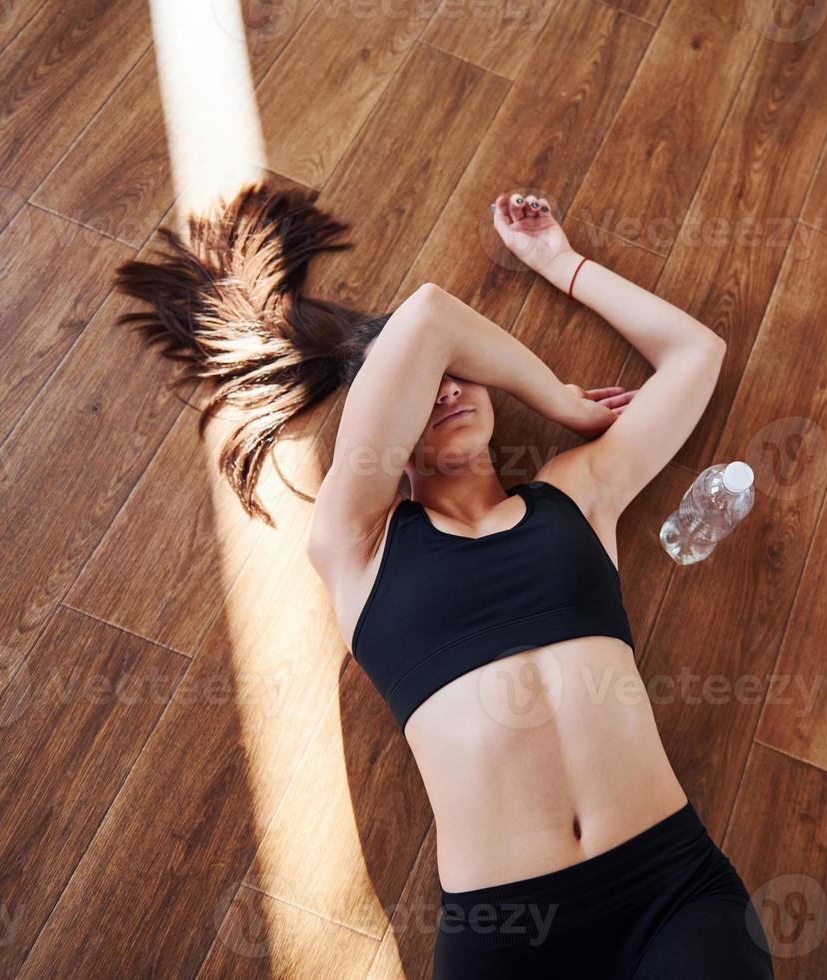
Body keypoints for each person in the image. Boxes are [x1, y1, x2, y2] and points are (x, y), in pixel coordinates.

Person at [115, 183, 775, 979]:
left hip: (672, 889)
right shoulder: (355, 543)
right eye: (424, 385)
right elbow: (428, 318)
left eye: (462, 374)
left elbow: (697, 354)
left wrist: (560, 263)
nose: (449, 386)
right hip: (506, 935)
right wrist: (556, 395)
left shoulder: (578, 493)